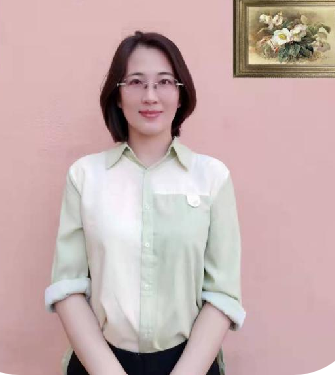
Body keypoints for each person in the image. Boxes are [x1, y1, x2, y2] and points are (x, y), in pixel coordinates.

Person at [44, 30, 246, 375]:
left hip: (189, 362)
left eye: (164, 82)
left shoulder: (212, 177)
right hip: (101, 362)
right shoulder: (85, 176)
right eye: (136, 82)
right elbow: (68, 287)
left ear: (181, 95)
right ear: (117, 96)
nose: (150, 96)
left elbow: (222, 293)